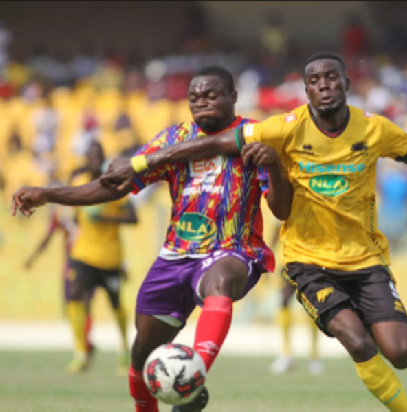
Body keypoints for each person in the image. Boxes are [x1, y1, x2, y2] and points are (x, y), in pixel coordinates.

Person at [98, 52, 407, 411]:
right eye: (314, 80)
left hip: (365, 259)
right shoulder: (286, 127)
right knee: (355, 338)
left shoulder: (375, 129)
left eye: (332, 77)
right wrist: (141, 162)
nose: (324, 85)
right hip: (308, 260)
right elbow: (214, 142)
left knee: (401, 353)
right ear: (306, 90)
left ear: (346, 85)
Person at [12, 65, 293, 412]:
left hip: (234, 249)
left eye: (211, 95)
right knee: (141, 357)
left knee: (219, 280)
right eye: (194, 98)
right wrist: (49, 194)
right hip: (176, 256)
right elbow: (113, 185)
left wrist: (276, 167)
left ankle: (194, 371)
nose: (201, 103)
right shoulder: (173, 138)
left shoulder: (254, 135)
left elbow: (281, 210)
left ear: (233, 97)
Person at [66, 140, 138, 375]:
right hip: (83, 254)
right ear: (87, 158)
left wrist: (106, 218)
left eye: (99, 154)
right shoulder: (79, 182)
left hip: (110, 258)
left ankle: (125, 352)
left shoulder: (117, 185)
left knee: (116, 304)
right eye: (92, 154)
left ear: (104, 157)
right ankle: (80, 353)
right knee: (75, 295)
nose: (95, 158)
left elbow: (133, 218)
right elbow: (75, 217)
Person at [23, 176, 95, 364]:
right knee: (72, 306)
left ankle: (83, 349)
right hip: (72, 263)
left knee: (83, 302)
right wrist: (32, 257)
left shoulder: (85, 207)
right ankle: (84, 345)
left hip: (88, 260)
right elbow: (49, 236)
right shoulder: (61, 211)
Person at [267, 221, 324, 375]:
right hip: (288, 261)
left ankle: (314, 356)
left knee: (311, 305)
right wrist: (270, 256)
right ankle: (286, 354)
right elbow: (276, 228)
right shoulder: (285, 201)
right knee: (284, 302)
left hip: (309, 261)